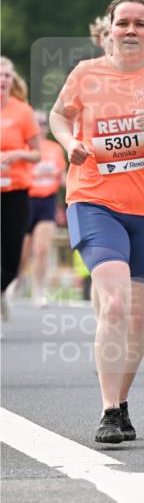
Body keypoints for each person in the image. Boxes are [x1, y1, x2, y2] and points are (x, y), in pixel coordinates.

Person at [50, 0, 144, 443]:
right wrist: (67, 143)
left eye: (140, 23)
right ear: (110, 29)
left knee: (137, 318)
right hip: (94, 201)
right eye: (123, 23)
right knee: (113, 304)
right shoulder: (86, 74)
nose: (131, 30)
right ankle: (109, 410)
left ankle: (122, 400)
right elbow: (59, 116)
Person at [1, 57, 41, 320]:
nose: (2, 79)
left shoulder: (23, 112)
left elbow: (37, 154)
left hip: (16, 191)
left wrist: (17, 155)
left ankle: (2, 291)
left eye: (6, 75)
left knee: (13, 257)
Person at [21, 109, 67, 306]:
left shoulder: (54, 148)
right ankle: (13, 282)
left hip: (47, 202)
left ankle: (39, 291)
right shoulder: (22, 148)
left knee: (42, 249)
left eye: (43, 124)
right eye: (37, 123)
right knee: (22, 252)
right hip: (25, 202)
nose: (40, 127)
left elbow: (62, 176)